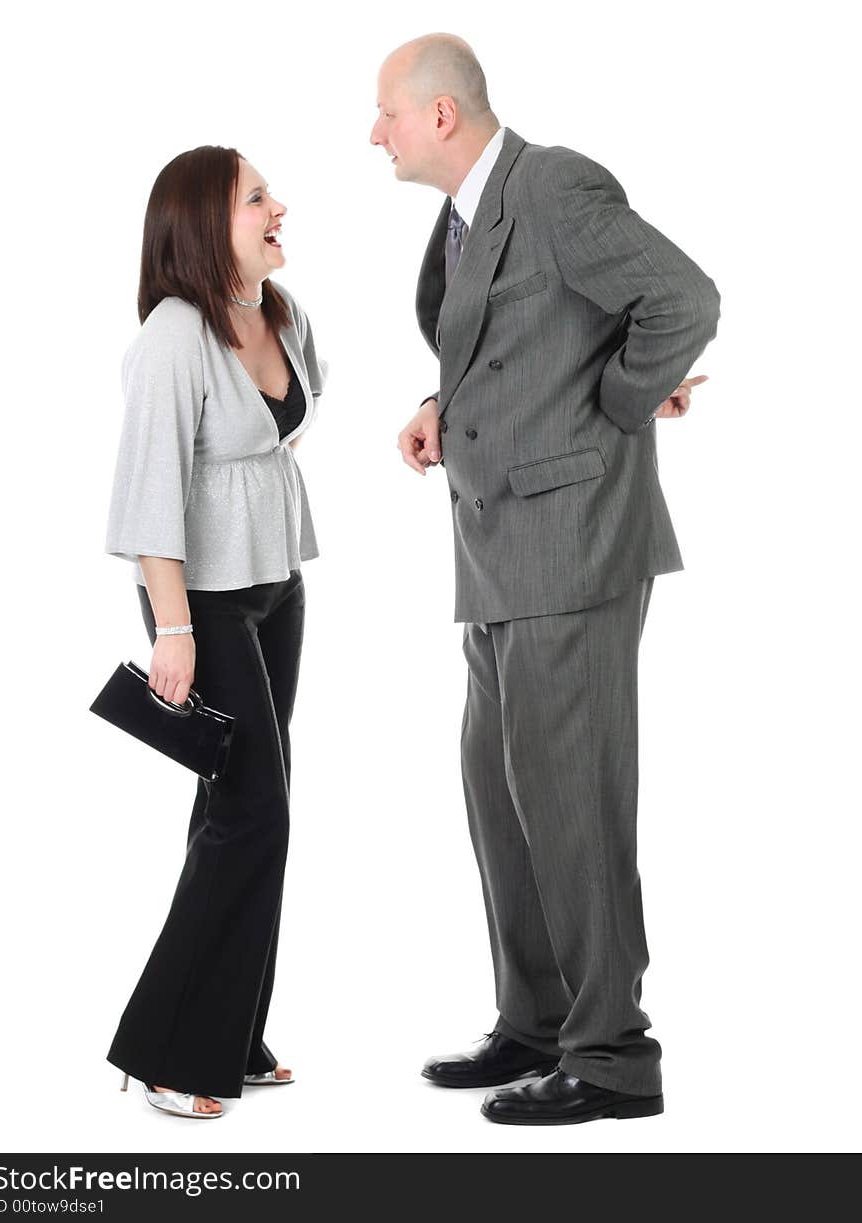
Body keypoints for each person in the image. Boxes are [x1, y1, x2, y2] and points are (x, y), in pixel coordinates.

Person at [372, 35, 720, 1126]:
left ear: (438, 116)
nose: (370, 131)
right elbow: (515, 343)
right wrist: (441, 409)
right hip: (494, 550)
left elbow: (682, 299)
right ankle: (536, 1019)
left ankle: (613, 1052)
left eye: (384, 111)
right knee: (500, 789)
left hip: (570, 539)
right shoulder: (471, 216)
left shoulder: (554, 181)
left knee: (571, 799)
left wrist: (617, 404)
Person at [103, 145, 327, 1119]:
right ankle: (165, 1045)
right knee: (253, 814)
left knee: (239, 810)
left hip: (276, 588)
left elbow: (277, 435)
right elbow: (149, 492)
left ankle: (228, 1030)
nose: (280, 207)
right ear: (205, 222)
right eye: (256, 199)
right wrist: (174, 626)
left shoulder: (278, 314)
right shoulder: (171, 336)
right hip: (203, 601)